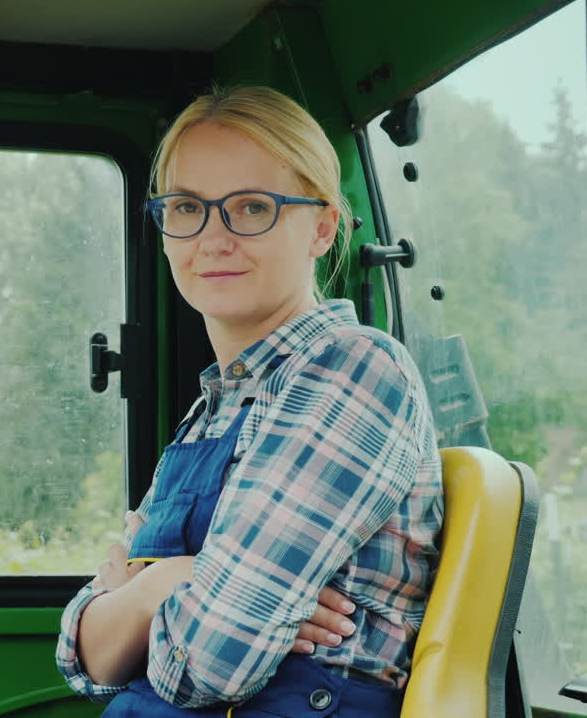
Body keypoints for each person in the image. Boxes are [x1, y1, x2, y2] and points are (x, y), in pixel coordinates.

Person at [55, 85, 443, 718]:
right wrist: (172, 582)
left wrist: (142, 590)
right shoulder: (213, 409)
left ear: (322, 227)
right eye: (187, 208)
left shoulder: (352, 372)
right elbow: (84, 657)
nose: (213, 237)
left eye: (253, 207)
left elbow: (209, 666)